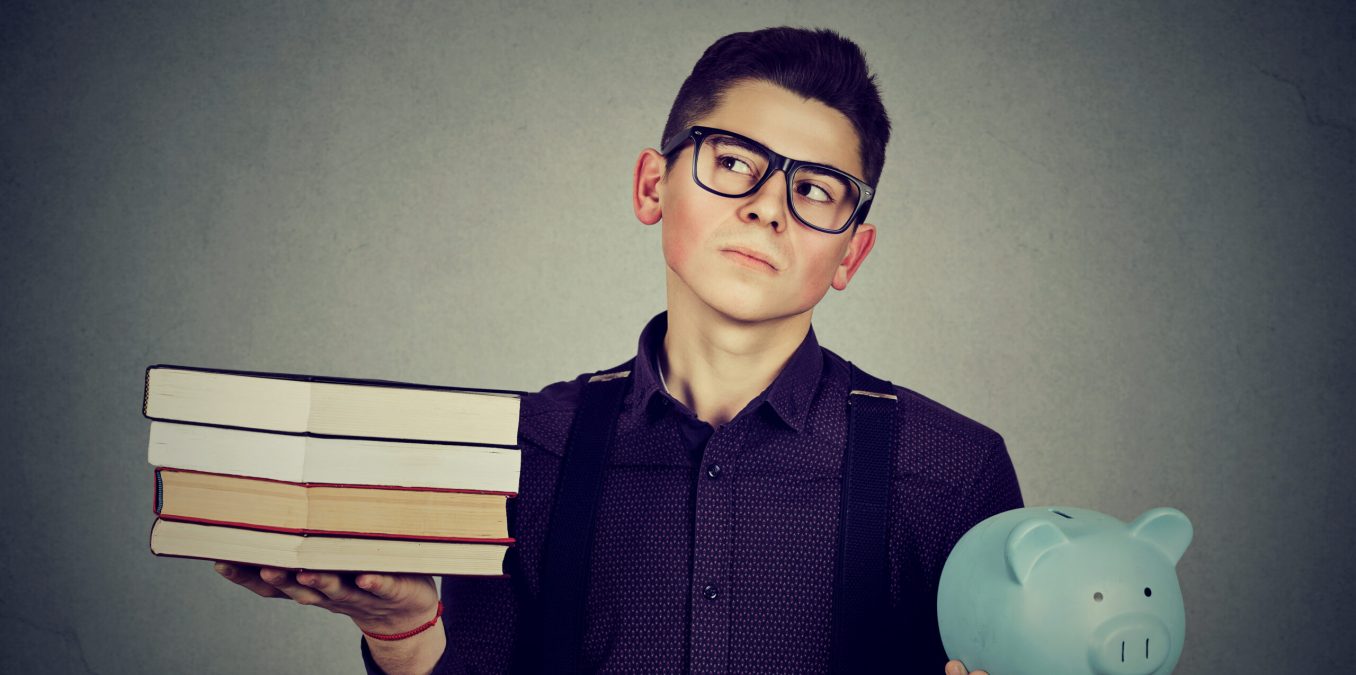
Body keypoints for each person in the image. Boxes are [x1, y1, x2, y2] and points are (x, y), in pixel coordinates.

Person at [214, 27, 1022, 675]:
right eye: (735, 162)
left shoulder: (954, 472)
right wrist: (403, 628)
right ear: (652, 185)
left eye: (814, 190)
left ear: (852, 252)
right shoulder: (528, 449)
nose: (769, 207)